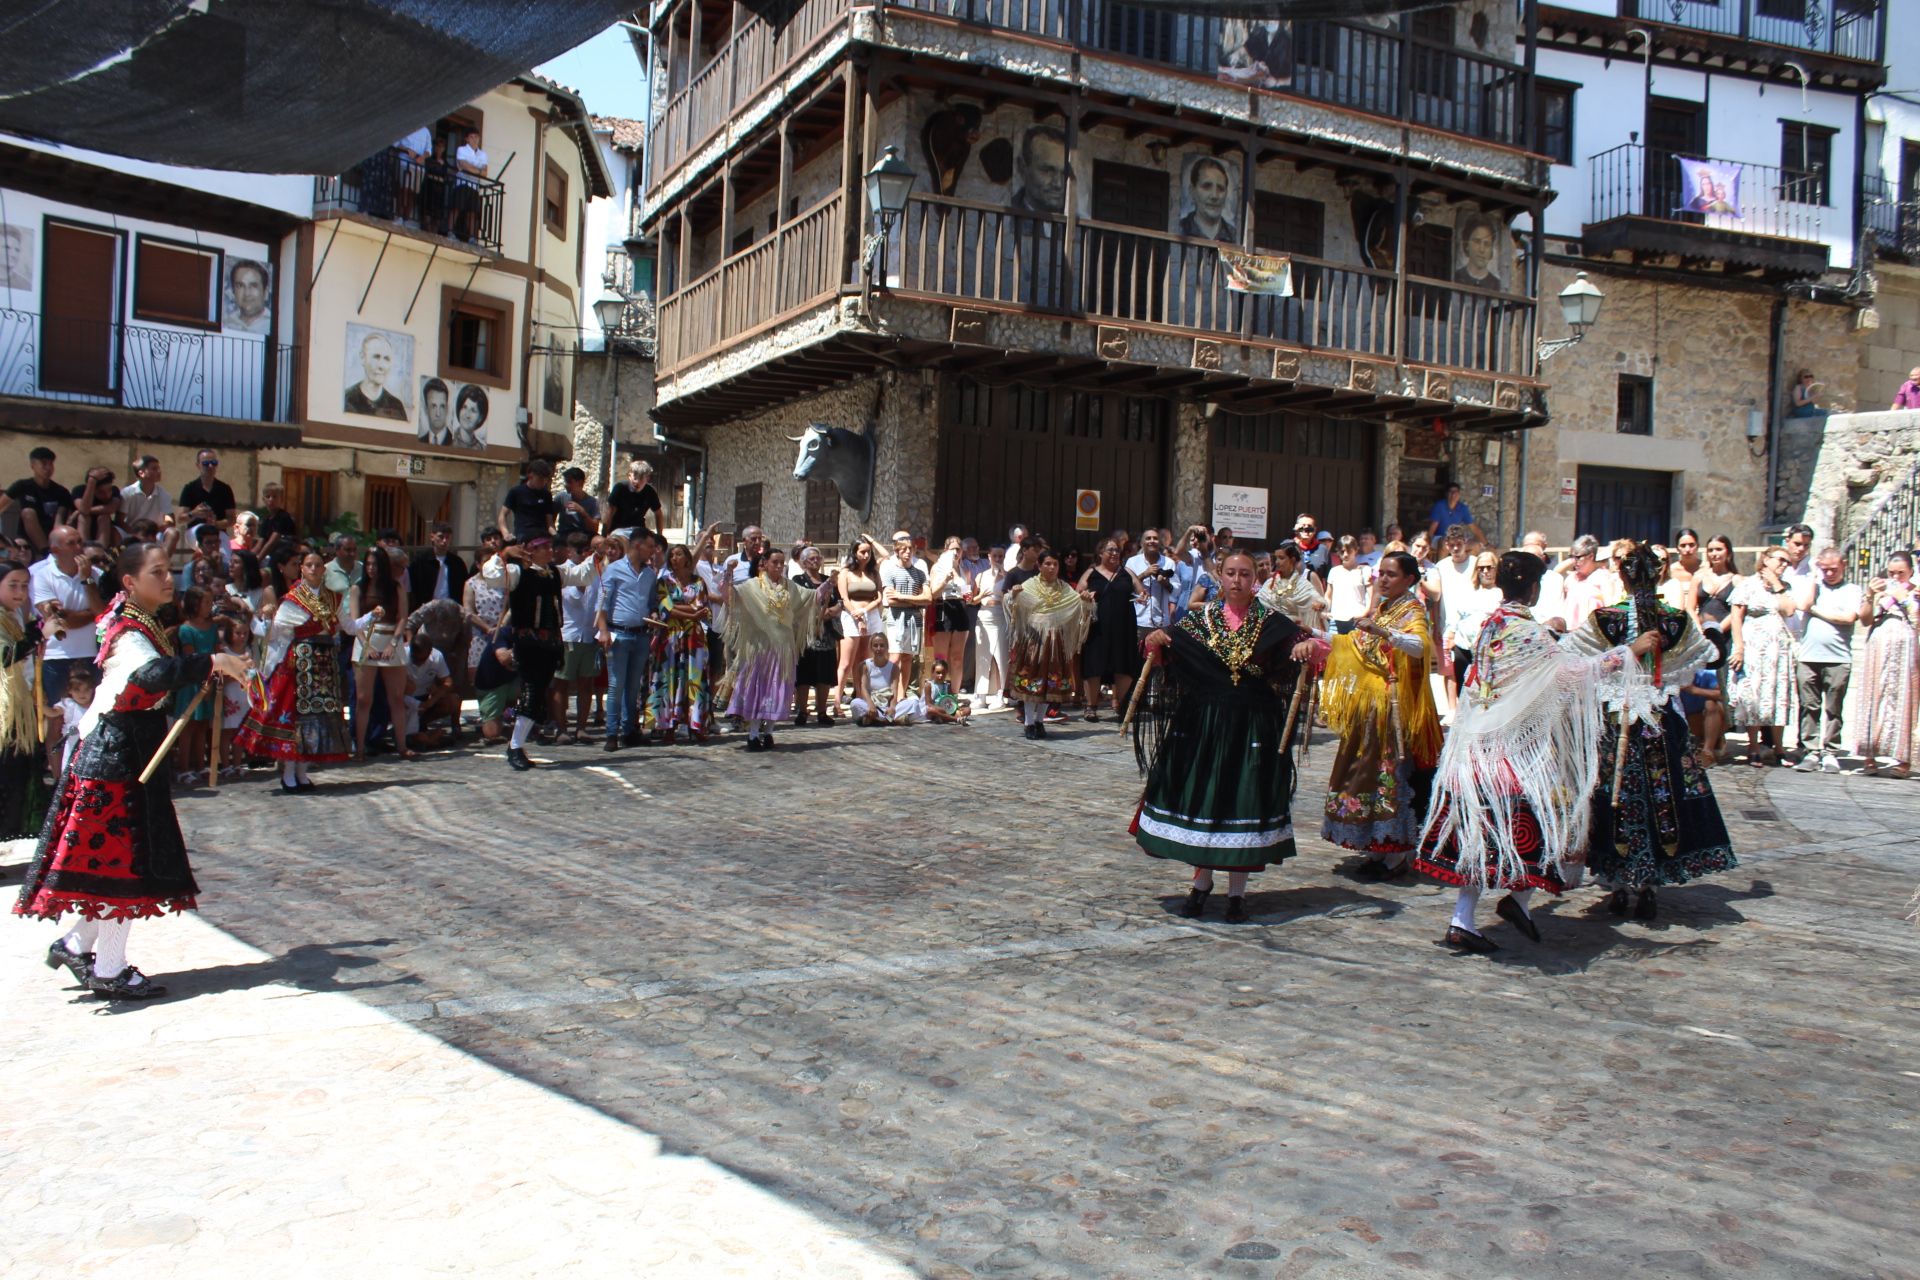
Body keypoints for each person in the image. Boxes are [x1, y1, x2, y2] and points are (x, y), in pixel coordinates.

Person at [16, 542, 250, 1000]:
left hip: (124, 751)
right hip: (115, 758)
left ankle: (74, 944)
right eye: (157, 571)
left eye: (168, 571)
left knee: (119, 863)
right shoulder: (128, 630)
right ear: (129, 582)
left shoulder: (138, 621)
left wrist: (205, 669)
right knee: (119, 866)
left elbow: (155, 674)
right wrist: (211, 661)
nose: (168, 579)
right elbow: (149, 676)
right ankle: (109, 968)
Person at [1414, 551, 1663, 951]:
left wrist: (1554, 636)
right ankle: (1516, 901)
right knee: (1548, 826)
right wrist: (1628, 651)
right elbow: (1571, 675)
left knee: (1484, 836)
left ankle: (1466, 919)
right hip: (1513, 755)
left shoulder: (1492, 624)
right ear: (1533, 587)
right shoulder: (1528, 633)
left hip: (1478, 750)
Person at [1134, 548, 1323, 921]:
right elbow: (1165, 648)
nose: (1237, 580)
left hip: (1254, 724)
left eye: (1245, 574)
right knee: (1206, 799)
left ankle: (1237, 894)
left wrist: (1307, 647)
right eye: (1231, 573)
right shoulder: (1198, 620)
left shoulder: (1273, 622)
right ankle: (1202, 883)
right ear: (1219, 575)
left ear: (1256, 579)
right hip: (1204, 723)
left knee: (1243, 801)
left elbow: (1311, 647)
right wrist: (1154, 641)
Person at [1563, 543, 1736, 920]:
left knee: (1617, 795)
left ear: (1621, 577)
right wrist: (1709, 625)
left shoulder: (1604, 620)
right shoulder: (1675, 621)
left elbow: (1573, 655)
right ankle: (1648, 885)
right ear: (1660, 575)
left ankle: (1620, 882)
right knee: (1663, 796)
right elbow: (1710, 654)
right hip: (1659, 722)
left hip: (1618, 724)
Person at [1319, 550, 1442, 876]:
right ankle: (1376, 846)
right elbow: (1354, 641)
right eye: (1381, 574)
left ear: (1409, 579)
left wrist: (1386, 634)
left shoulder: (1413, 610)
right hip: (1370, 708)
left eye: (1391, 574)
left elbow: (1420, 646)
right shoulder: (1385, 609)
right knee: (1365, 775)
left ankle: (1396, 852)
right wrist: (1314, 633)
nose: (1383, 580)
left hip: (1394, 709)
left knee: (1390, 775)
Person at [485, 536, 596, 769]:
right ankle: (515, 747)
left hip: (550, 645)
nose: (549, 550)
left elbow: (583, 574)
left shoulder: (555, 573)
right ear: (530, 551)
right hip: (529, 645)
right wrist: (504, 554)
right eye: (543, 547)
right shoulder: (518, 573)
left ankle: (517, 745)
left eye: (549, 546)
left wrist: (598, 554)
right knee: (531, 693)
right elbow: (493, 576)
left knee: (537, 695)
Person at [718, 546, 824, 751]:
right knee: (758, 690)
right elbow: (730, 595)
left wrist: (828, 585)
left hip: (783, 648)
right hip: (759, 648)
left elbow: (811, 598)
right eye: (774, 562)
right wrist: (729, 572)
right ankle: (753, 734)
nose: (778, 566)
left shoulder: (790, 587)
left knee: (777, 690)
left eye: (781, 563)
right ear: (764, 564)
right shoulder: (752, 586)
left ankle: (768, 733)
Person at [1005, 548, 1091, 740]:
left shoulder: (1064, 588)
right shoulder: (1029, 585)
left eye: (1055, 564)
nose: (1052, 568)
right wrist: (1014, 596)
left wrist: (1086, 602)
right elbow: (1012, 602)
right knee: (1032, 680)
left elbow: (1077, 605)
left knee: (1051, 682)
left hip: (1055, 640)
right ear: (1039, 565)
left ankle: (1039, 721)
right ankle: (1028, 723)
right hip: (1034, 638)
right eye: (1048, 564)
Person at [1727, 546, 1799, 766]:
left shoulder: (1784, 588)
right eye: (1780, 560)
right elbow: (1736, 617)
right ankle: (1754, 746)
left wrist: (1777, 586)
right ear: (1766, 560)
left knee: (1778, 696)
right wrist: (1738, 646)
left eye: (1788, 562)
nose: (1784, 564)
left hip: (1778, 651)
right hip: (1754, 648)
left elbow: (1790, 610)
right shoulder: (1748, 585)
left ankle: (1778, 747)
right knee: (1753, 696)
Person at [1792, 549, 1862, 773]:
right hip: (1809, 656)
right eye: (1825, 569)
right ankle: (1810, 751)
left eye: (1834, 568)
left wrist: (1817, 611)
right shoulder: (1814, 586)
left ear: (1843, 565)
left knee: (1833, 707)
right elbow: (1803, 605)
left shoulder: (1852, 589)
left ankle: (1830, 751)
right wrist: (1813, 578)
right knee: (1809, 706)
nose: (1829, 573)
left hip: (1838, 657)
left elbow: (1848, 618)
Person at [596, 529, 660, 750]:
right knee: (616, 684)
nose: (653, 551)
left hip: (641, 634)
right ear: (637, 546)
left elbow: (652, 602)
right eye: (650, 546)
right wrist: (603, 631)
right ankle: (611, 733)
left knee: (633, 687)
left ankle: (628, 729)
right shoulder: (613, 571)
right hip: (619, 633)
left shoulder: (650, 574)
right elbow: (602, 604)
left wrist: (653, 614)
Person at [1856, 552, 1918, 778]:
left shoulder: (1915, 593)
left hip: (1905, 649)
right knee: (1874, 697)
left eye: (1900, 572)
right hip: (1878, 647)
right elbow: (1864, 619)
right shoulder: (1879, 591)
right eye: (1892, 572)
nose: (1895, 577)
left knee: (1904, 700)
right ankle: (1869, 755)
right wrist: (1870, 596)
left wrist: (1904, 597)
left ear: (1910, 571)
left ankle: (1902, 760)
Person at [348, 545, 411, 760]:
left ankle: (402, 745)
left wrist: (393, 643)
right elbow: (355, 622)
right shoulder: (358, 588)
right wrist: (369, 646)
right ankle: (360, 748)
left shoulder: (395, 588)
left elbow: (403, 616)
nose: (371, 568)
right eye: (368, 564)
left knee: (396, 697)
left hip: (391, 640)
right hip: (366, 640)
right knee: (364, 698)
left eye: (375, 564)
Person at [29, 525, 102, 710]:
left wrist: (87, 580)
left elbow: (102, 612)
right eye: (71, 543)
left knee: (93, 715)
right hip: (55, 657)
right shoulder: (41, 577)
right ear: (55, 550)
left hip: (91, 655)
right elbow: (59, 621)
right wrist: (90, 614)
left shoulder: (96, 575)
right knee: (57, 718)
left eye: (80, 542)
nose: (78, 547)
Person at [0, 558, 47, 842]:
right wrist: (36, 635)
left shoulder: (13, 617)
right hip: (5, 713)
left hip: (18, 709)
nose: (20, 592)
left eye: (24, 586)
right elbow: (5, 656)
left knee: (14, 779)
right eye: (12, 585)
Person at [647, 541, 711, 745]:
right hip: (671, 637)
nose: (674, 558)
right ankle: (668, 726)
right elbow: (667, 608)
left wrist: (685, 611)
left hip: (694, 639)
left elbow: (701, 607)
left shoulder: (699, 582)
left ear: (687, 558)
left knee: (694, 680)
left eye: (678, 554)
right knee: (669, 680)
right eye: (671, 555)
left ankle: (696, 724)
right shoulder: (664, 582)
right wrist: (690, 612)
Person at [1078, 537, 1141, 721]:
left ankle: (1122, 707)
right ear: (1100, 553)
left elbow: (1141, 590)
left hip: (1124, 625)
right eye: (1110, 550)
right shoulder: (1091, 573)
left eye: (1116, 550)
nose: (1115, 554)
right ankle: (1091, 706)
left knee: (1123, 664)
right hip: (1097, 625)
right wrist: (1085, 596)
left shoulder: (1126, 572)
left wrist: (1143, 596)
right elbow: (1077, 593)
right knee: (1094, 665)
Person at [555, 533, 602, 744]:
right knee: (562, 683)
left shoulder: (595, 572)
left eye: (586, 550)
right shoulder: (563, 572)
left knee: (586, 684)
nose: (584, 554)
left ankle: (581, 727)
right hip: (569, 634)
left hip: (588, 634)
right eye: (579, 550)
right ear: (569, 551)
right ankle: (561, 728)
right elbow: (571, 599)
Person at [170, 586, 219, 787]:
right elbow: (191, 657)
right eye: (206, 602)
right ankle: (184, 768)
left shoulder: (213, 627)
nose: (210, 606)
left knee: (202, 725)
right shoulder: (186, 629)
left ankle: (200, 765)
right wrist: (202, 680)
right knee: (187, 727)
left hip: (210, 679)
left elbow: (217, 651)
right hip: (192, 683)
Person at [790, 546, 840, 726]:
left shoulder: (829, 580)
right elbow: (799, 603)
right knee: (803, 673)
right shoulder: (798, 581)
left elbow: (838, 602)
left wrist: (831, 612)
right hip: (806, 634)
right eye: (811, 558)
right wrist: (817, 614)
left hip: (826, 635)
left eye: (818, 558)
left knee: (823, 674)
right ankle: (802, 710)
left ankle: (821, 712)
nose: (816, 561)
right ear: (803, 562)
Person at [880, 531, 931, 706]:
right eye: (904, 549)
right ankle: (890, 694)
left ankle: (901, 695)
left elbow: (928, 599)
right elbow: (891, 601)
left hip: (913, 620)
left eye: (910, 549)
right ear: (897, 551)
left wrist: (903, 597)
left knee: (908, 657)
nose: (908, 552)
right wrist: (915, 601)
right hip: (896, 620)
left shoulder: (920, 573)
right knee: (895, 657)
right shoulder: (890, 571)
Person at [836, 537, 885, 718]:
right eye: (862, 552)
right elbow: (844, 598)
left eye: (868, 552)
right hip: (851, 615)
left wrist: (864, 611)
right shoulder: (846, 573)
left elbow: (879, 597)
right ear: (854, 553)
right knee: (846, 661)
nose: (865, 555)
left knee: (864, 661)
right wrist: (857, 614)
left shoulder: (874, 572)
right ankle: (837, 702)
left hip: (871, 615)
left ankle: (861, 698)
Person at [400, 631, 458, 751]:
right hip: (404, 698)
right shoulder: (401, 654)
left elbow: (448, 683)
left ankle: (426, 728)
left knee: (453, 700)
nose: (420, 662)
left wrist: (433, 700)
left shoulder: (437, 656)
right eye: (416, 658)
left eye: (423, 659)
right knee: (413, 733)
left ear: (430, 652)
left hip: (425, 696)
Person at [9, 446, 69, 552]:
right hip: (26, 540)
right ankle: (45, 551)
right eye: (44, 463)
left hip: (52, 536)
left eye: (51, 464)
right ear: (33, 466)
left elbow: (59, 519)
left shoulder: (61, 491)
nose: (48, 468)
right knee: (28, 512)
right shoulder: (22, 486)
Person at [407, 521, 469, 607]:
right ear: (432, 537)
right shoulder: (420, 560)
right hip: (425, 606)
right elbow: (412, 585)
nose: (444, 541)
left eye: (447, 538)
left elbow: (463, 586)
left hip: (450, 607)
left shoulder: (457, 563)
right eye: (441, 537)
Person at [1177, 156, 1238, 242]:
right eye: (1206, 186)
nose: (1214, 196)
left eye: (1220, 188)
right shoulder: (1182, 227)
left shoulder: (1233, 234)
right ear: (1192, 191)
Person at [499, 460, 559, 543]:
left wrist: (556, 536)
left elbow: (549, 522)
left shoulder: (546, 495)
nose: (543, 482)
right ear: (531, 476)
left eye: (546, 480)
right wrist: (505, 534)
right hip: (523, 535)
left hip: (541, 536)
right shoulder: (516, 492)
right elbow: (502, 514)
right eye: (540, 479)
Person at [1325, 535, 1373, 635]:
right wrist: (1325, 611)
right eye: (1342, 551)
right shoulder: (1334, 571)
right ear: (1338, 552)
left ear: (1356, 550)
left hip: (1357, 620)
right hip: (1336, 620)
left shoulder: (1364, 570)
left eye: (1349, 551)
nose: (1345, 555)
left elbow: (1372, 596)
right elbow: (1328, 596)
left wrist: (1364, 613)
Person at [178, 449, 237, 528]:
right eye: (205, 463)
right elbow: (180, 519)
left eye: (214, 463)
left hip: (218, 532)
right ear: (198, 465)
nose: (210, 466)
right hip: (195, 531)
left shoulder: (225, 489)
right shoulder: (189, 489)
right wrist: (194, 514)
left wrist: (216, 524)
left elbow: (232, 519)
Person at [607, 459, 664, 540]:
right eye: (635, 477)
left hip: (638, 530)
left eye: (641, 478)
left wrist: (660, 535)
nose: (637, 481)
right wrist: (605, 533)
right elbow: (610, 513)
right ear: (629, 476)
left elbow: (658, 513)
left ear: (647, 478)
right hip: (618, 529)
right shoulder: (620, 488)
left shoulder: (650, 492)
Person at [554, 467, 601, 541]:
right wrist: (555, 536)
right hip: (565, 535)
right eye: (565, 482)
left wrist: (582, 512)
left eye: (569, 482)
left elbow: (594, 529)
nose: (566, 485)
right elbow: (551, 520)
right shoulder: (561, 497)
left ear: (580, 482)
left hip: (584, 536)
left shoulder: (593, 502)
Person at [225, 259, 271, 333]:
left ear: (265, 292)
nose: (247, 293)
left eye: (253, 286)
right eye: (240, 285)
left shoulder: (273, 325)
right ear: (233, 292)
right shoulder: (226, 323)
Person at [923, 659, 971, 724]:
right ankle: (955, 719)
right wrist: (941, 709)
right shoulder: (929, 685)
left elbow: (952, 700)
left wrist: (961, 702)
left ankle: (943, 718)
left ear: (946, 673)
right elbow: (928, 703)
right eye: (938, 673)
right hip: (936, 709)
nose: (941, 675)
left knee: (967, 710)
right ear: (932, 672)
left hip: (947, 709)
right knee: (930, 710)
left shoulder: (947, 685)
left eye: (943, 673)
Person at [418, 378, 454, 446]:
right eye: (433, 406)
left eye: (442, 406)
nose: (438, 414)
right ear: (426, 409)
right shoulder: (420, 441)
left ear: (447, 409)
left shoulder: (454, 443)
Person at [452, 384, 489, 449]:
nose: (467, 415)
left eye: (473, 410)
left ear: (480, 418)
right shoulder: (448, 442)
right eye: (464, 407)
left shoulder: (482, 448)